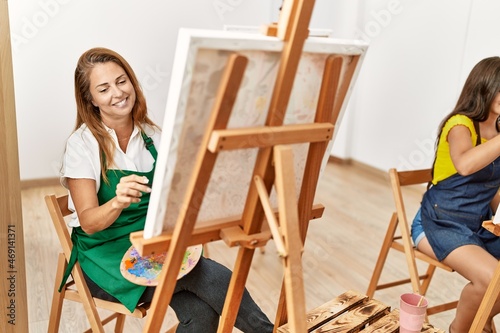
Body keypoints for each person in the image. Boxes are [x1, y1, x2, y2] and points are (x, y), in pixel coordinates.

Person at [60, 47, 274, 332]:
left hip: (151, 248)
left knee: (199, 315)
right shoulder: (81, 145)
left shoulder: (153, 136)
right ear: (91, 99)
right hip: (104, 262)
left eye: (121, 81)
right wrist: (117, 202)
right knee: (211, 276)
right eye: (104, 88)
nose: (117, 92)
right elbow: (88, 223)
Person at [410, 56, 500, 333]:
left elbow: (492, 193)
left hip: (477, 224)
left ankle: (477, 317)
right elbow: (465, 165)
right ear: (485, 87)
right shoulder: (460, 125)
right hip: (436, 224)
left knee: (495, 281)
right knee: (495, 278)